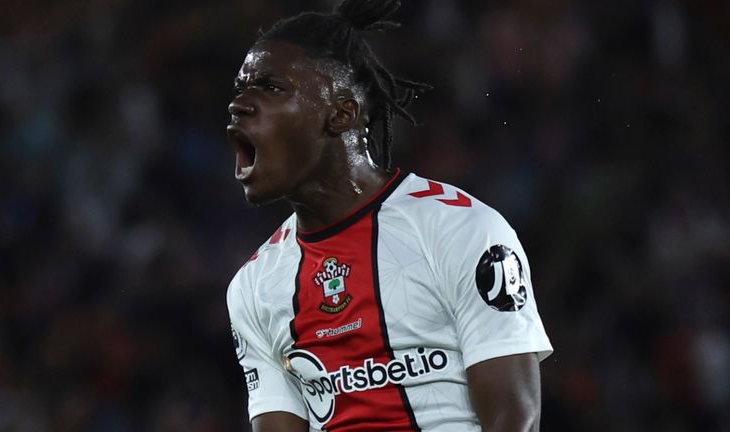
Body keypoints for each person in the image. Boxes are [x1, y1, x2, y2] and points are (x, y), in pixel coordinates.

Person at [225, 0, 552, 430]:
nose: (239, 105)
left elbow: (514, 419)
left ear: (342, 113)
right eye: (240, 88)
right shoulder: (254, 287)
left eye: (270, 87)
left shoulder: (461, 229)